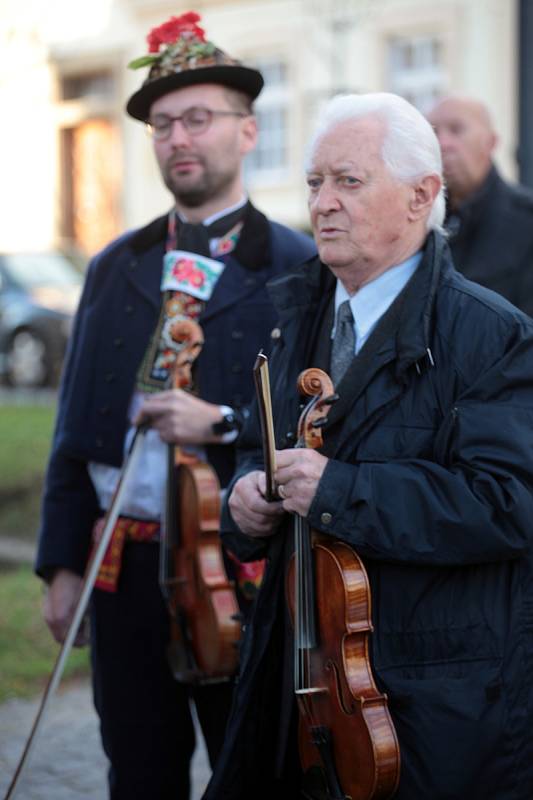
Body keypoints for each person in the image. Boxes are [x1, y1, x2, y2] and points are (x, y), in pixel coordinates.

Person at [204, 92, 533, 800]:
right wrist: (245, 503)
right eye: (315, 183)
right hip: (299, 682)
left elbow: (508, 504)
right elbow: (262, 455)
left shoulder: (489, 335)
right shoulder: (295, 318)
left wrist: (337, 491)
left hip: (434, 704)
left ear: (421, 196)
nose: (323, 203)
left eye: (348, 181)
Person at [35, 11, 315, 800]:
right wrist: (61, 566)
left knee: (252, 772)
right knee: (138, 773)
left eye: (198, 118)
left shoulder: (300, 268)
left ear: (248, 131)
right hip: (122, 571)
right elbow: (73, 427)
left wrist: (222, 422)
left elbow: (321, 424)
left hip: (244, 576)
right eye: (162, 124)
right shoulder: (114, 264)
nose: (178, 139)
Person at [427, 94, 533, 315]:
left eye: (456, 130)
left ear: (491, 142)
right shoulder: (418, 222)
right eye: (434, 132)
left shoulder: (526, 221)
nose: (442, 143)